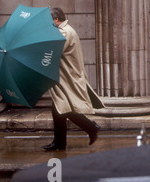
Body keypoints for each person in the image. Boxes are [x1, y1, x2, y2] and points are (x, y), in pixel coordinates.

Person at [42, 8, 105, 151]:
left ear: (56, 20)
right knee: (58, 110)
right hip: (64, 77)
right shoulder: (64, 31)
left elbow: (52, 52)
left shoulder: (64, 32)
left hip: (67, 78)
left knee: (64, 109)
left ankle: (91, 127)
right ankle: (59, 143)